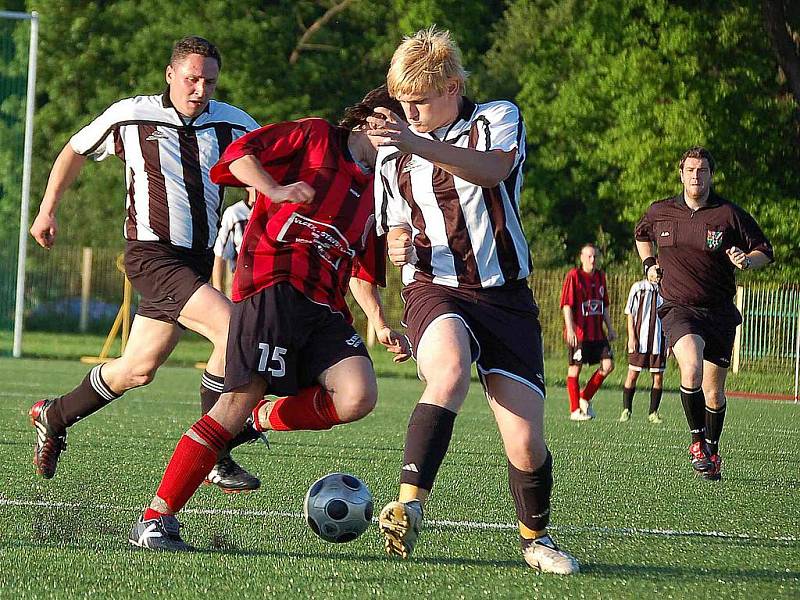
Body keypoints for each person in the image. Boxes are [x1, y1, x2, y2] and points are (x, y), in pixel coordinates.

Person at [128, 86, 410, 551]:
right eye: (398, 120)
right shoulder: (317, 136)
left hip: (324, 306)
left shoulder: (381, 188)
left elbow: (360, 263)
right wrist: (275, 189)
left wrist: (378, 321)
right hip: (272, 285)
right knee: (235, 400)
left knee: (358, 396)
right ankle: (156, 519)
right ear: (371, 117)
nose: (403, 133)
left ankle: (258, 419)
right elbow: (240, 153)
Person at [368, 27, 579, 575]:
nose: (409, 112)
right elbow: (394, 227)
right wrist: (395, 243)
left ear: (454, 85)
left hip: (505, 297)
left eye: (420, 100)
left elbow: (492, 170)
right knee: (451, 370)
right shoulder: (392, 159)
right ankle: (408, 507)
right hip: (434, 288)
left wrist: (415, 143)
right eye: (403, 102)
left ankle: (536, 539)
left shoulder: (497, 118)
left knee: (527, 444)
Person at [28, 36, 264, 492]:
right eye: (192, 78)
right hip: (151, 255)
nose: (200, 89)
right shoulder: (131, 115)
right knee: (234, 328)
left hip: (193, 260)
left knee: (136, 368)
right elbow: (75, 150)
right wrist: (47, 209)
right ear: (170, 75)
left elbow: (265, 170)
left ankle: (53, 415)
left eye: (209, 81)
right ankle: (215, 451)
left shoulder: (234, 125)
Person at [635, 146, 773, 481]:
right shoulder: (660, 211)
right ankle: (697, 443)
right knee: (691, 369)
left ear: (711, 174)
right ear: (680, 173)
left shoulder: (727, 214)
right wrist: (649, 264)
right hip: (679, 308)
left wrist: (747, 260)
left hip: (720, 312)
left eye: (703, 170)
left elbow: (765, 251)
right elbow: (641, 235)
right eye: (691, 170)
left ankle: (712, 448)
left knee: (714, 392)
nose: (696, 176)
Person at [560, 244, 617, 421]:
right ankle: (575, 409)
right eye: (589, 256)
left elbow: (604, 306)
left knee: (608, 366)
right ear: (582, 257)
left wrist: (611, 328)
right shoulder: (574, 276)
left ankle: (584, 396)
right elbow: (567, 305)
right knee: (574, 370)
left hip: (598, 334)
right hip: (579, 334)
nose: (593, 260)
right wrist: (570, 329)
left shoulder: (601, 277)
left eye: (595, 257)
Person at [619, 272, 666, 423]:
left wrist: (670, 341)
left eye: (661, 270)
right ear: (648, 270)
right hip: (640, 340)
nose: (658, 273)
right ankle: (626, 410)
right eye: (655, 269)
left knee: (658, 377)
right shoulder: (638, 288)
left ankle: (653, 412)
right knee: (632, 374)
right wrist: (631, 337)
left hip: (658, 341)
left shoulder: (666, 291)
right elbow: (630, 313)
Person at [211, 187, 256, 295]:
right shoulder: (235, 213)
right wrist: (218, 290)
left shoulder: (273, 213)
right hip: (241, 282)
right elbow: (219, 253)